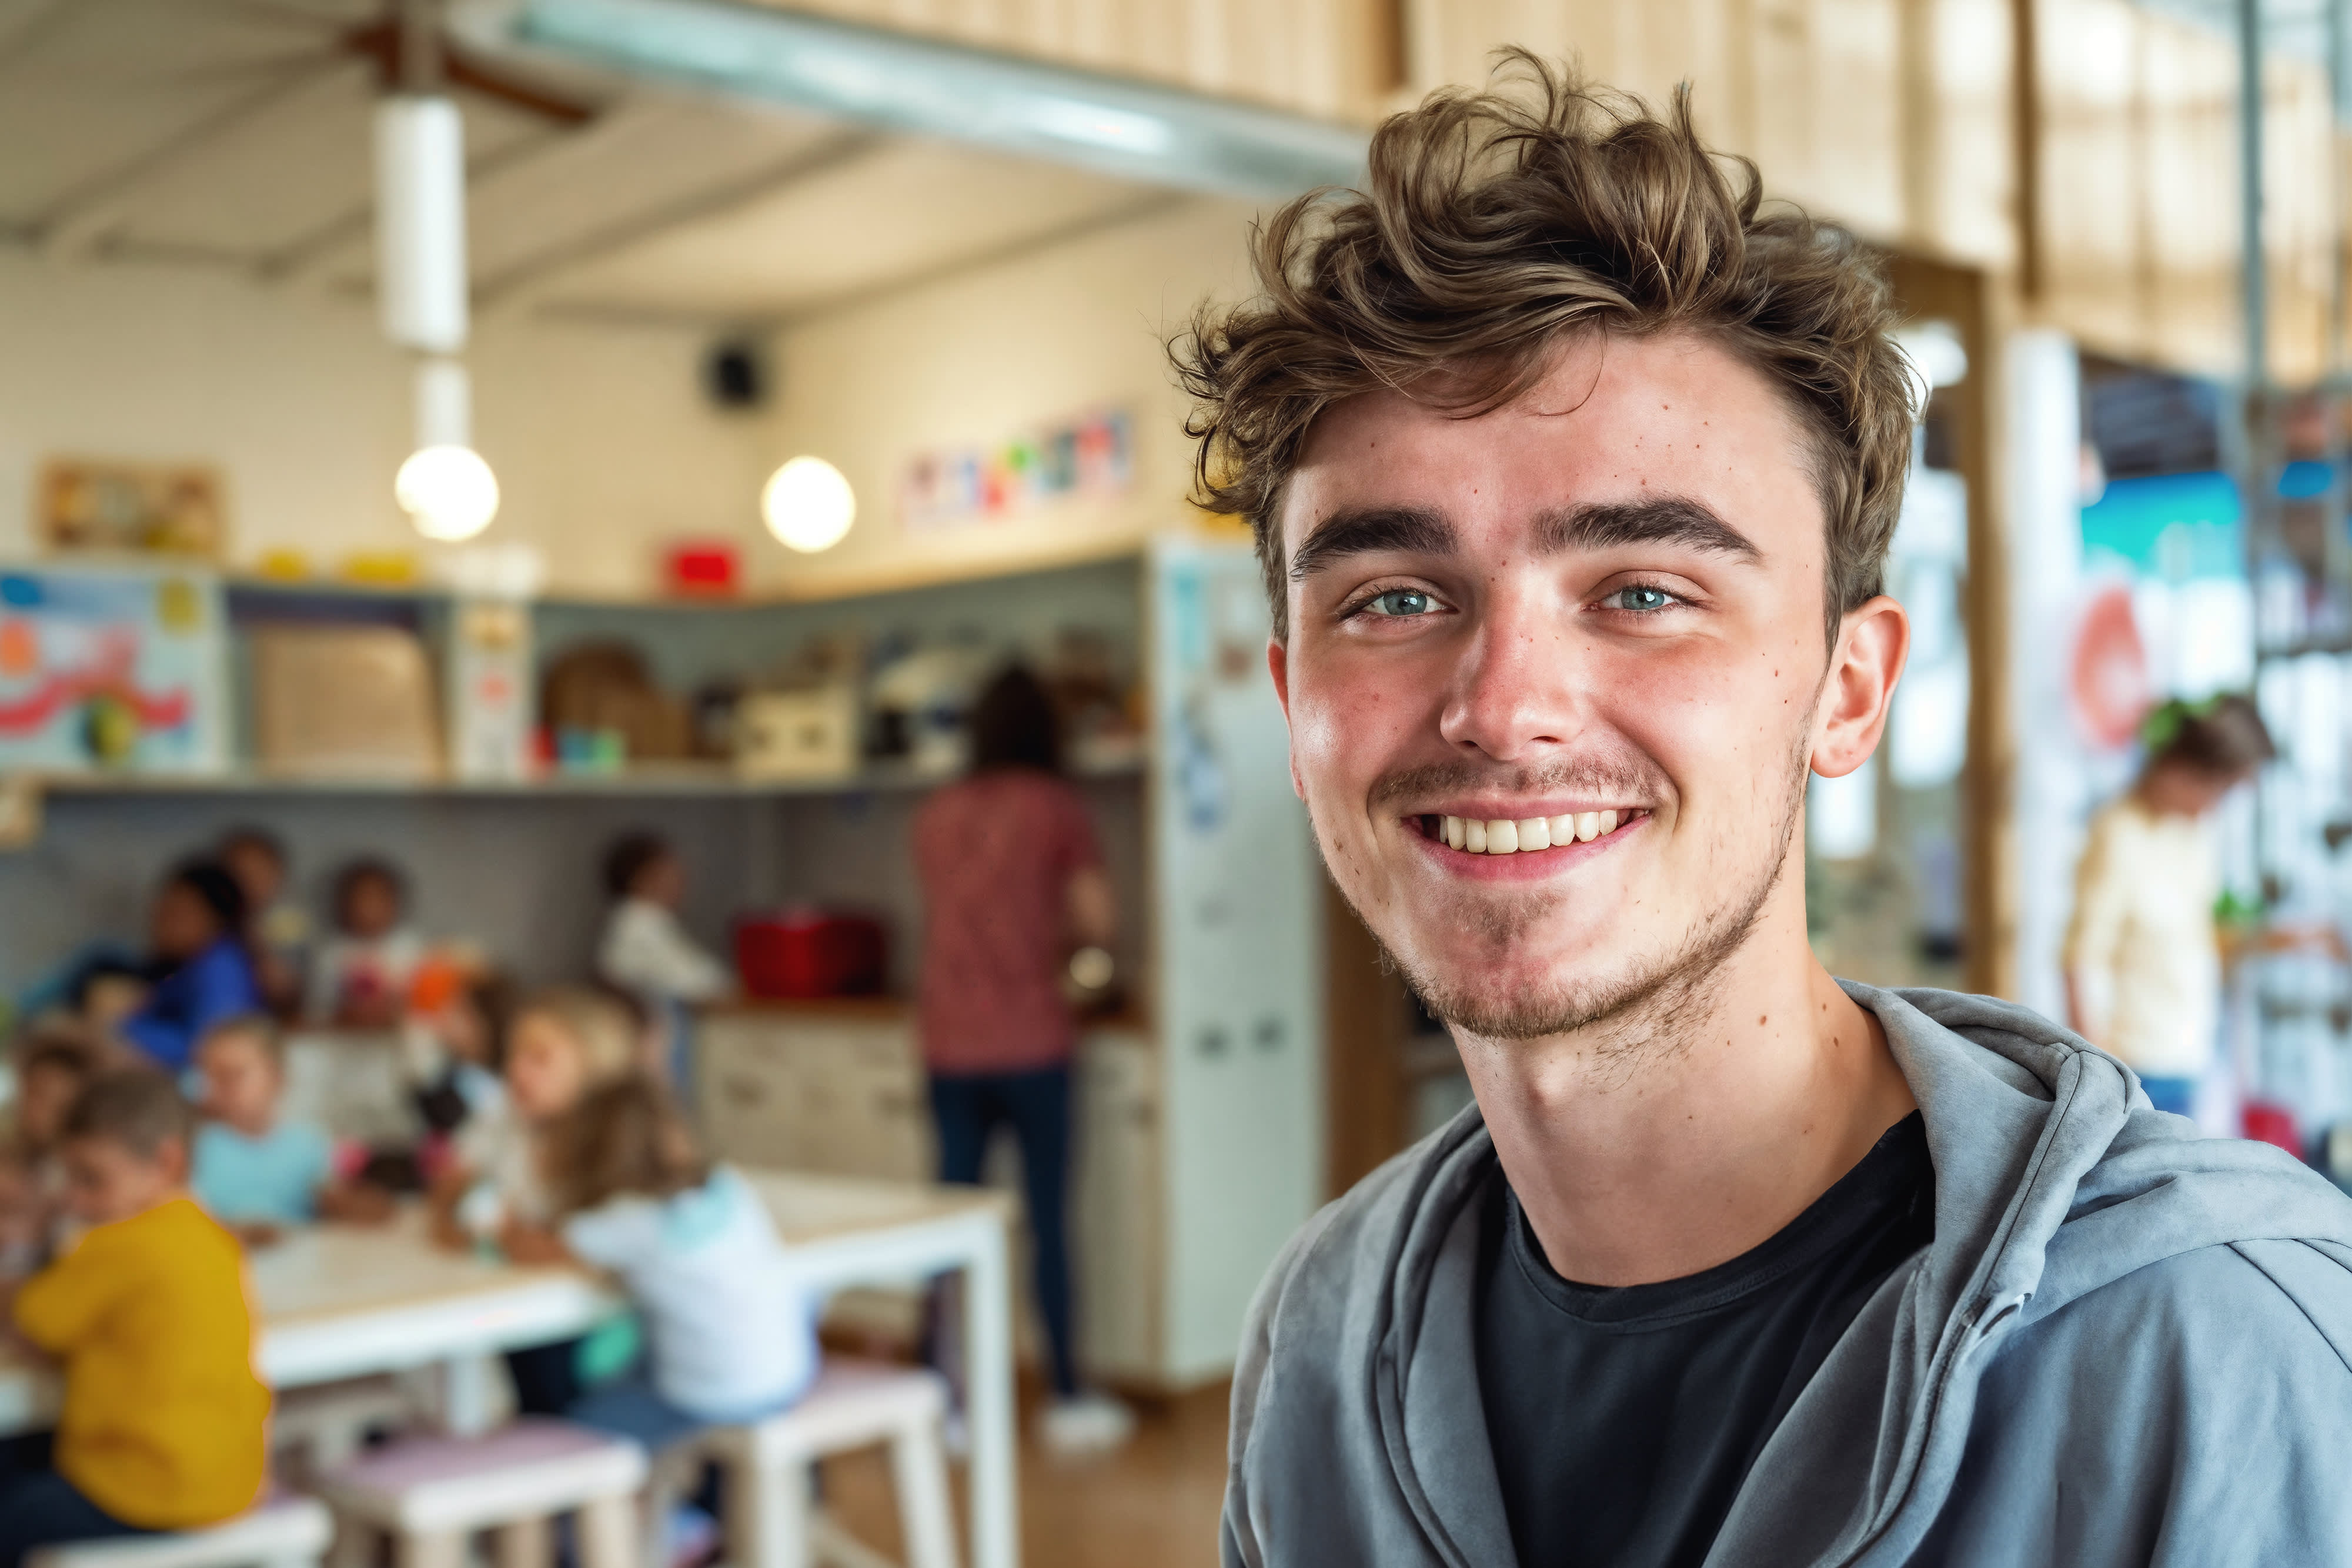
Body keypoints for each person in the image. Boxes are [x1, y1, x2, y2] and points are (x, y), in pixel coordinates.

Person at [1173, 57, 2352, 1567]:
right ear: (1292, 703)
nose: (1502, 704)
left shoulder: (2220, 1346)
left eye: (1645, 593)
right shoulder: (1322, 1340)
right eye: (1394, 597)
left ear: (1848, 690)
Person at [911, 663, 1127, 1455]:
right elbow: (1095, 925)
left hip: (946, 1040)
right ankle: (1067, 1393)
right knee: (1046, 1221)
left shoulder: (938, 810)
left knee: (946, 1226)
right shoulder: (1056, 808)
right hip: (1033, 1038)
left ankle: (942, 1397)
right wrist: (1091, 973)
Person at [0, 1070, 270, 1567]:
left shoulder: (119, 1243)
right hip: (232, 1478)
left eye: (92, 1179)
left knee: (12, 1509)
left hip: (147, 1490)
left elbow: (34, 1321)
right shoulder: (212, 1235)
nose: (76, 1200)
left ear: (166, 1162)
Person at [501, 1075, 814, 1451]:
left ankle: (602, 1502)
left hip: (710, 1396)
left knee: (571, 1419)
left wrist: (501, 1218)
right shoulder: (728, 1185)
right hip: (789, 1375)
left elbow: (533, 1246)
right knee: (634, 1362)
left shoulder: (631, 1219)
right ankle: (674, 1503)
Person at [426, 984, 640, 1415]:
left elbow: (580, 1252)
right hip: (528, 1307)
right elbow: (449, 1186)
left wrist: (501, 1235)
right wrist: (460, 1219)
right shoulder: (504, 1118)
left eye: (540, 1058)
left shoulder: (619, 1143)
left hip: (609, 1322)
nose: (517, 1072)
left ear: (594, 1066)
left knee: (561, 1386)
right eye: (513, 1056)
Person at [2064, 695, 2272, 1121]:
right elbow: (2080, 959)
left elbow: (2201, 938)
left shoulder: (2196, 836)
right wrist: (2100, 1076)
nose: (2217, 804)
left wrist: (2286, 939)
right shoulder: (2118, 832)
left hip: (2188, 1057)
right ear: (2185, 769)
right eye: (2220, 789)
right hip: (2134, 1067)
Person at [189, 1014, 391, 1239]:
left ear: (277, 1078)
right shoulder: (197, 1148)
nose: (217, 1089)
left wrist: (347, 1202)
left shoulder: (309, 1144)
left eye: (232, 1076)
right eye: (211, 1078)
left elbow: (349, 1213)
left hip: (304, 1269)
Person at [596, 831, 729, 1092]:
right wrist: (728, 984)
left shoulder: (643, 923)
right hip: (656, 1031)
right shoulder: (641, 925)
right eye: (668, 873)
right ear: (641, 879)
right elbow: (693, 979)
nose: (681, 881)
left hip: (663, 1028)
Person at [118, 858, 262, 1072]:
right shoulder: (181, 967)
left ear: (213, 919)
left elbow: (206, 1048)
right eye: (161, 910)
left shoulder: (220, 970)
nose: (160, 923)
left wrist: (118, 1031)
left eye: (176, 914)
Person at [0, 1031, 105, 1278]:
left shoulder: (81, 1183)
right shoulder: (9, 1148)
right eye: (33, 1093)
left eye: (55, 1103)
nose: (36, 1111)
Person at [308, 856, 423, 1028]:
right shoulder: (333, 953)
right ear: (344, 905)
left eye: (378, 900)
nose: (369, 910)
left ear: (395, 904)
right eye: (361, 900)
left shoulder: (411, 949)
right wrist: (346, 1013)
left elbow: (426, 1008)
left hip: (401, 1045)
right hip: (345, 1044)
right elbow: (317, 1010)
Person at [216, 826, 308, 1019]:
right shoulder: (210, 925)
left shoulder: (290, 923)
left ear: (278, 874)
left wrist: (253, 941)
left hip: (273, 1022)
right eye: (237, 873)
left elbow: (283, 988)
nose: (247, 883)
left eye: (257, 872)